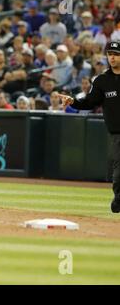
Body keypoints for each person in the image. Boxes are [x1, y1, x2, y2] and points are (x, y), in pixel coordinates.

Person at [58, 41, 120, 213]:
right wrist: (74, 101)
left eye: (116, 54)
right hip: (117, 134)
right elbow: (90, 102)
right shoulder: (102, 80)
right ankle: (118, 200)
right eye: (110, 54)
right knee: (119, 172)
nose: (113, 57)